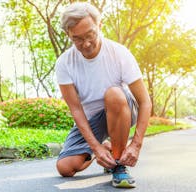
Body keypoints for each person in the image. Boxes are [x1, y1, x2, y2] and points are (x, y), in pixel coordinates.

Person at [55, 2, 152, 188]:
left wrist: (136, 144)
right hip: (93, 120)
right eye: (77, 39)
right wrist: (96, 148)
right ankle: (107, 148)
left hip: (121, 109)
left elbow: (145, 101)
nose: (86, 43)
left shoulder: (119, 53)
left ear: (100, 26)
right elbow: (76, 109)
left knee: (114, 94)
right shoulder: (64, 63)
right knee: (65, 168)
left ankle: (119, 165)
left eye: (90, 34)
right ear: (68, 35)